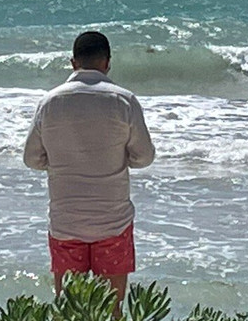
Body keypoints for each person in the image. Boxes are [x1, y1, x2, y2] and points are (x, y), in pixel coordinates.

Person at [22, 30, 155, 309]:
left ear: (73, 63)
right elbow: (144, 157)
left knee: (70, 310)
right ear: (107, 62)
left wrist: (61, 162)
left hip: (66, 223)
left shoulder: (50, 102)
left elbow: (32, 158)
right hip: (113, 222)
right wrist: (116, 160)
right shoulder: (124, 100)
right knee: (112, 310)